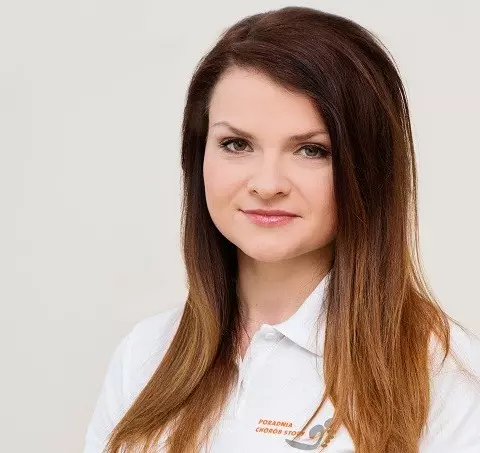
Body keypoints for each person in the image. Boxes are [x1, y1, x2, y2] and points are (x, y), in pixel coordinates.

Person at [83, 6, 480, 453]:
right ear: (198, 158)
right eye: (236, 144)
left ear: (370, 169)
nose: (268, 184)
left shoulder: (445, 373)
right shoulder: (145, 354)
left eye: (311, 150)